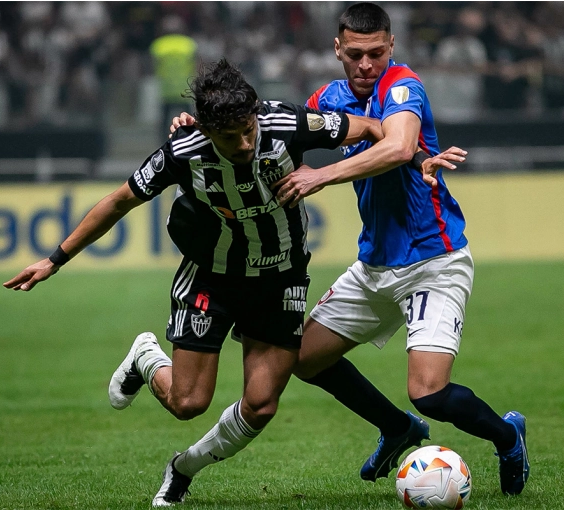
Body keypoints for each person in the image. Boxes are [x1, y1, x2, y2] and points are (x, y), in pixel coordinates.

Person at [171, 1, 529, 497]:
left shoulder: (403, 85)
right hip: (374, 266)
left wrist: (326, 173)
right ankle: (396, 428)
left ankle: (508, 435)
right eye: (356, 54)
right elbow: (264, 126)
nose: (367, 66)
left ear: (391, 48)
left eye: (376, 53)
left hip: (434, 261)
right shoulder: (328, 98)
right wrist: (201, 124)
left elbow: (399, 145)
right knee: (303, 358)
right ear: (337, 49)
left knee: (428, 392)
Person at [3, 58, 392, 507]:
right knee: (188, 403)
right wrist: (55, 260)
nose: (245, 143)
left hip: (281, 277)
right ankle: (147, 356)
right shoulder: (182, 151)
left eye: (249, 129)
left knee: (262, 404)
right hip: (213, 276)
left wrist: (413, 159)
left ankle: (183, 468)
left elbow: (372, 128)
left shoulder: (288, 122)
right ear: (206, 130)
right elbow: (117, 202)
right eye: (230, 137)